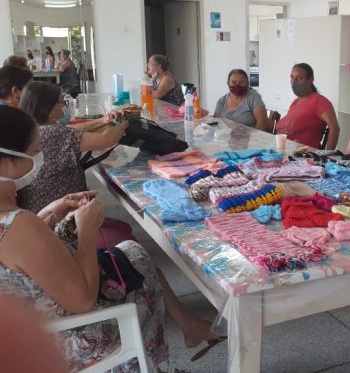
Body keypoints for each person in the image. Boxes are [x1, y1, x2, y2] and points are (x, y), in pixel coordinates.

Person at [0, 106, 222, 371]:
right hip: (61, 340)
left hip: (31, 322)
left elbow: (20, 254)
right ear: (9, 162)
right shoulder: (20, 225)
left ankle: (187, 329)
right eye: (36, 151)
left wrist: (48, 214)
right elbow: (83, 301)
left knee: (131, 251)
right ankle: (143, 364)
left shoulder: (14, 222)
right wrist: (87, 231)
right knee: (139, 271)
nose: (41, 158)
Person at [17, 82, 133, 250]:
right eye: (61, 102)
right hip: (60, 219)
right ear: (46, 108)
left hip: (39, 210)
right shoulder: (53, 133)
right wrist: (125, 123)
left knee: (123, 227)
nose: (65, 106)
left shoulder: (31, 129)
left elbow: (73, 131)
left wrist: (103, 121)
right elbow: (106, 140)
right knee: (126, 237)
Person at [275, 63, 340, 149]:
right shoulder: (295, 103)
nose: (294, 82)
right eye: (292, 77)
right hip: (282, 149)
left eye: (299, 78)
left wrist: (328, 154)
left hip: (302, 153)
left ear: (310, 80)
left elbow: (334, 128)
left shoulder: (319, 101)